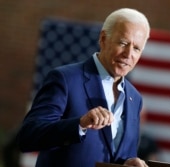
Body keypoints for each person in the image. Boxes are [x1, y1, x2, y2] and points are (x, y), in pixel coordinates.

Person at [17, 8, 150, 167]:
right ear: (103, 39)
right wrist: (80, 124)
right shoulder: (65, 79)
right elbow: (28, 137)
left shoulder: (134, 98)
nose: (128, 54)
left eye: (136, 48)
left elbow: (117, 154)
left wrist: (128, 162)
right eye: (123, 43)